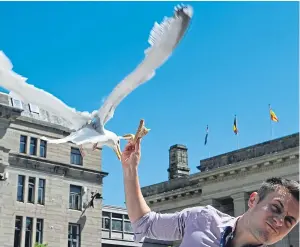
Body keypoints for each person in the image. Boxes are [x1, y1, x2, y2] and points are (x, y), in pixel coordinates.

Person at [121, 138, 299, 247]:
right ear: (253, 200)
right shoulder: (202, 219)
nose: (279, 221)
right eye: (276, 207)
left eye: (289, 221)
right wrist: (130, 170)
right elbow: (145, 224)